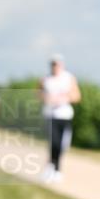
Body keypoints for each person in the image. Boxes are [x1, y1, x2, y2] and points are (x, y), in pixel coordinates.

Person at [39, 54, 81, 183]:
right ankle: (53, 168)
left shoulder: (69, 78)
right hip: (50, 115)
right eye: (53, 64)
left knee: (62, 145)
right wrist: (47, 99)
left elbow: (77, 96)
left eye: (56, 64)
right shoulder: (45, 79)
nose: (55, 66)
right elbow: (39, 93)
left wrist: (63, 99)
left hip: (64, 115)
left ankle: (55, 167)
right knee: (53, 142)